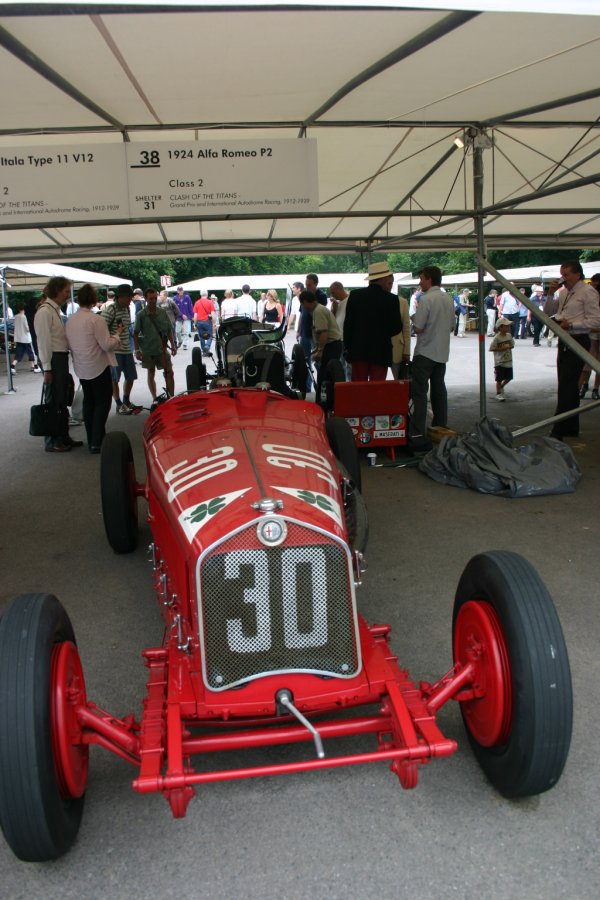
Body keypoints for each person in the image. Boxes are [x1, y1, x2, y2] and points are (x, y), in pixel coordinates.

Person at [65, 284, 122, 453]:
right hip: (98, 365)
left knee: (89, 402)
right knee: (102, 403)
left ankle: (93, 438)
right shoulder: (96, 320)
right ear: (93, 299)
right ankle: (97, 440)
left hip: (81, 366)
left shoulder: (71, 320)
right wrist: (117, 335)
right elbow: (106, 344)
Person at [550, 260, 600, 439]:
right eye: (562, 275)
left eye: (566, 275)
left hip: (578, 339)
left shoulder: (588, 292)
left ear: (577, 275)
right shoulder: (564, 293)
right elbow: (549, 312)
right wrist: (550, 294)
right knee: (567, 385)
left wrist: (572, 325)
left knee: (567, 385)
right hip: (564, 340)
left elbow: (596, 321)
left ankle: (558, 429)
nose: (563, 279)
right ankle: (570, 426)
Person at [34, 276, 83, 453]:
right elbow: (43, 342)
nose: (67, 295)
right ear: (56, 290)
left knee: (61, 400)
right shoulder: (45, 312)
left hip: (59, 357)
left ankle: (63, 436)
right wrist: (47, 367)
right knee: (54, 401)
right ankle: (52, 440)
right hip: (54, 359)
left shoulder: (53, 310)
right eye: (65, 291)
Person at [410, 265, 456, 443]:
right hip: (442, 352)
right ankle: (440, 427)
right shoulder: (448, 298)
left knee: (420, 393)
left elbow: (418, 328)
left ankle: (418, 431)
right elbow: (451, 327)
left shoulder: (426, 299)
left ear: (429, 279)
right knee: (439, 390)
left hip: (425, 351)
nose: (420, 282)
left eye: (421, 278)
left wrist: (414, 320)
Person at [343, 260, 401, 381]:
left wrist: (347, 347)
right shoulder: (392, 299)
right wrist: (382, 333)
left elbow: (348, 325)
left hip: (358, 350)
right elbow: (396, 327)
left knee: (359, 386)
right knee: (377, 387)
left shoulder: (355, 295)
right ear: (383, 279)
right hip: (381, 351)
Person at [133, 287, 177, 406]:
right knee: (151, 372)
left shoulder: (162, 312)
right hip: (148, 349)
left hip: (162, 348)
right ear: (146, 299)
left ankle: (171, 397)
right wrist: (137, 350)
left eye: (154, 298)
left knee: (169, 372)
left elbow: (169, 330)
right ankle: (155, 398)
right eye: (150, 298)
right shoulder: (141, 315)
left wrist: (173, 345)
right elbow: (135, 333)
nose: (153, 301)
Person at [101, 283, 139, 415]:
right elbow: (101, 328)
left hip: (127, 349)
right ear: (121, 297)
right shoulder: (111, 309)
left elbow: (126, 328)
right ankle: (118, 404)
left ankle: (126, 400)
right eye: (129, 297)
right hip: (115, 351)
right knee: (114, 379)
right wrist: (111, 340)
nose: (130, 299)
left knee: (131, 377)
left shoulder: (126, 308)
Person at [299, 290, 343, 402]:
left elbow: (324, 333)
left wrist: (320, 351)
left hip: (331, 345)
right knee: (326, 376)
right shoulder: (319, 309)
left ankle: (323, 403)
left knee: (324, 377)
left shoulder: (318, 311)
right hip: (332, 345)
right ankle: (327, 402)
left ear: (305, 302)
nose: (303, 307)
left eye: (303, 304)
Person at [578, 272, 600, 400]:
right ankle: (584, 386)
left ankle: (595, 388)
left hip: (593, 331)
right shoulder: (589, 295)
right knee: (588, 361)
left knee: (595, 362)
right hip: (591, 332)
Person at [489, 316, 515, 401]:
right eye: (506, 326)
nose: (508, 327)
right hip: (499, 361)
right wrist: (501, 349)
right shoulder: (497, 338)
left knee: (509, 377)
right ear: (500, 327)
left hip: (508, 360)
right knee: (499, 379)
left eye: (508, 326)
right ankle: (498, 393)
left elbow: (512, 345)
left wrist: (509, 346)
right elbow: (491, 348)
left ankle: (501, 386)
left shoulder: (509, 336)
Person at [329, 281, 351, 379]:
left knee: (348, 365)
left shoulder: (350, 300)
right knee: (341, 365)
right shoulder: (337, 303)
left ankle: (348, 384)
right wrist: (334, 309)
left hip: (346, 338)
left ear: (339, 289)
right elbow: (332, 320)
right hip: (338, 338)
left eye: (333, 292)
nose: (332, 295)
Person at [11, 306, 40, 374]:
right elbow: (27, 328)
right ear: (24, 310)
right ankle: (36, 367)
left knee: (19, 354)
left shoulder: (16, 317)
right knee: (31, 353)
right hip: (26, 339)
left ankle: (12, 366)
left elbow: (14, 325)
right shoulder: (24, 317)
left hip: (19, 338)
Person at [391, 292, 411, 380]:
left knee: (400, 381)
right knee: (377, 383)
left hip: (397, 348)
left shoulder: (402, 302)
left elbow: (406, 328)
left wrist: (407, 351)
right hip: (379, 351)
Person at [193, 289, 216, 355]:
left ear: (200, 294)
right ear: (207, 294)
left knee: (202, 337)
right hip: (208, 322)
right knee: (210, 336)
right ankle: (207, 346)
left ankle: (204, 352)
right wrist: (214, 322)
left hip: (199, 322)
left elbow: (195, 315)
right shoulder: (210, 302)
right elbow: (213, 313)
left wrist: (195, 324)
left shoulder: (197, 302)